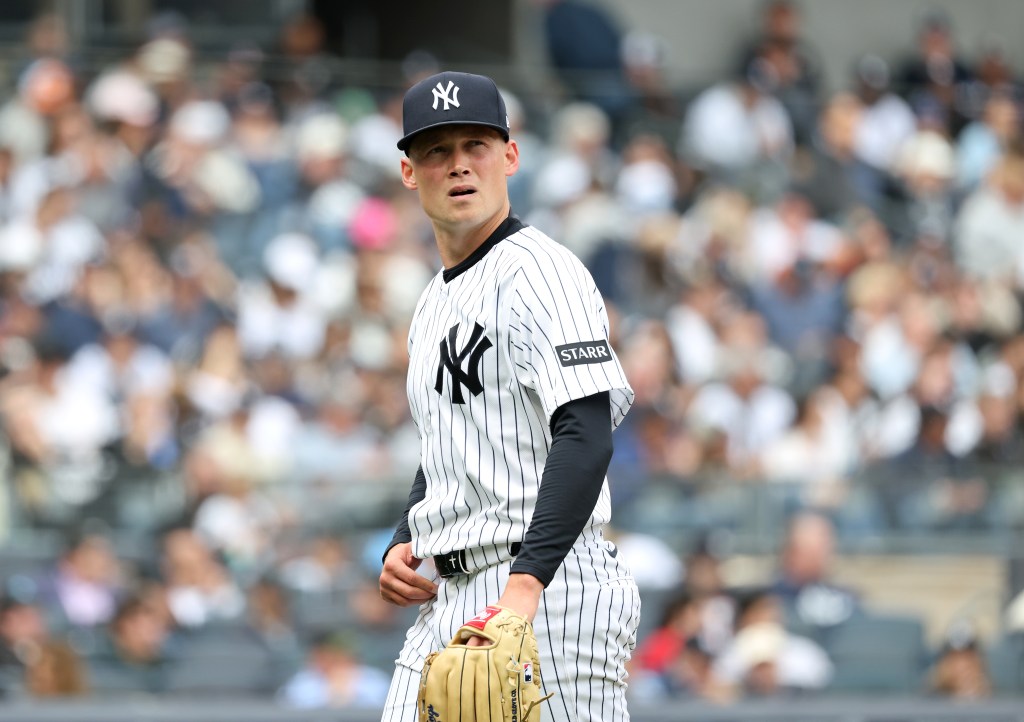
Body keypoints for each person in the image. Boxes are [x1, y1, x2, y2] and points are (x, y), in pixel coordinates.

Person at [378, 70, 639, 721]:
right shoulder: (433, 301)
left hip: (547, 588)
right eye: (438, 150)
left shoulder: (540, 271)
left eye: (477, 146)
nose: (459, 166)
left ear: (510, 157)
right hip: (451, 592)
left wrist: (525, 588)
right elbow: (450, 440)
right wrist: (402, 537)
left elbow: (585, 434)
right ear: (410, 172)